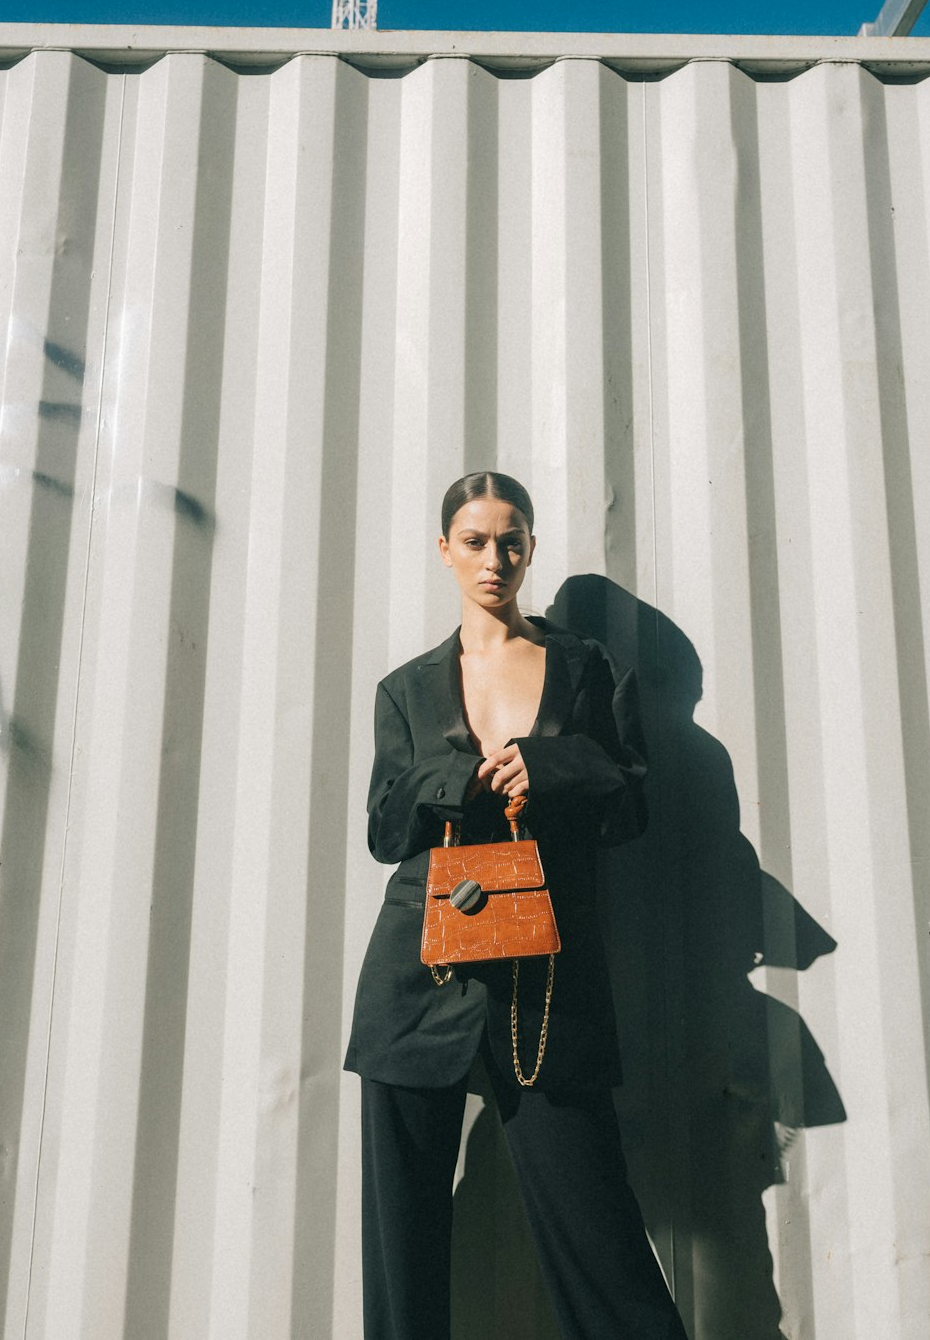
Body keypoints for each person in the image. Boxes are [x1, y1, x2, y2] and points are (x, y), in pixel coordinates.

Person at [345, 471, 688, 1340]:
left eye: (512, 540)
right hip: (417, 980)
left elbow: (631, 803)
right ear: (445, 550)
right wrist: (452, 776)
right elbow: (386, 830)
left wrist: (555, 766)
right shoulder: (407, 688)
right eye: (474, 541)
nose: (494, 559)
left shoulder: (584, 667)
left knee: (597, 1231)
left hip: (544, 985)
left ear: (531, 548)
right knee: (402, 1248)